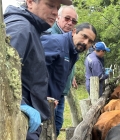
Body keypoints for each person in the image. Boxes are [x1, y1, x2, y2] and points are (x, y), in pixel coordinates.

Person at [3, 0, 72, 139]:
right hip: (16, 123)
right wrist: (20, 105)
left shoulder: (33, 29)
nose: (55, 11)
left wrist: (37, 96)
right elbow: (3, 73)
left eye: (58, 7)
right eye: (50, 5)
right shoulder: (21, 29)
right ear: (30, 2)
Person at [40, 22, 97, 135]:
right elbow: (34, 68)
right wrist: (41, 96)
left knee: (54, 129)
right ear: (74, 31)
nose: (86, 42)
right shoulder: (56, 42)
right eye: (84, 36)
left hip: (52, 100)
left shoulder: (73, 52)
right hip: (38, 101)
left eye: (90, 41)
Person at [45, 5, 79, 136]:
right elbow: (42, 66)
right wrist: (47, 93)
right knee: (49, 129)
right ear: (58, 18)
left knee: (57, 126)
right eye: (67, 18)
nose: (70, 23)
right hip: (50, 94)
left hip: (61, 91)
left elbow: (64, 62)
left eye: (74, 21)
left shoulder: (68, 38)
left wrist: (72, 76)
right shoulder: (51, 36)